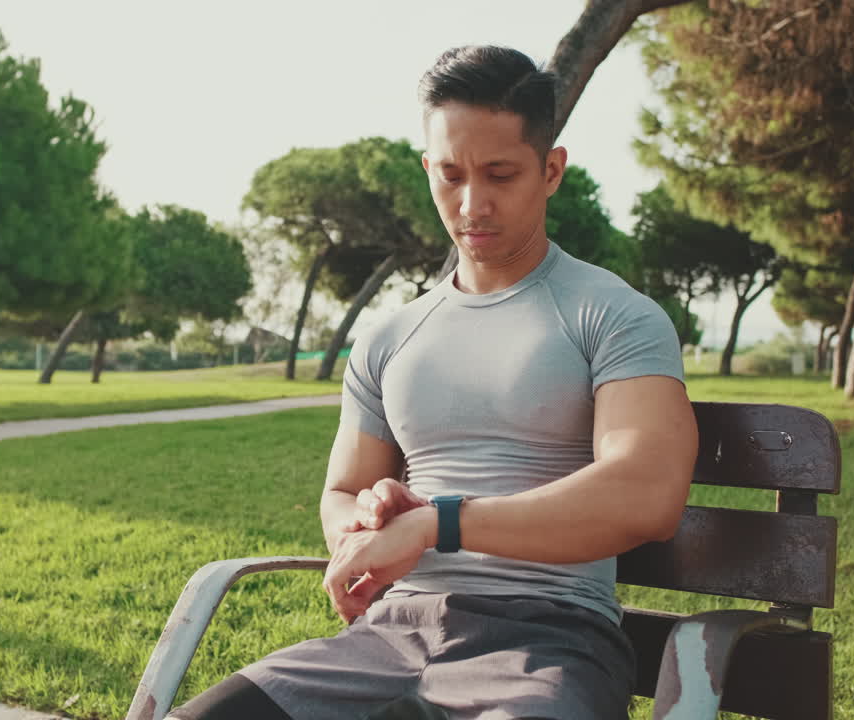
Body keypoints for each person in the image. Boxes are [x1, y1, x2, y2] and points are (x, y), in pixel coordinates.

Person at [167, 44, 698, 720]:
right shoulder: (390, 337)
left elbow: (646, 494)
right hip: (384, 639)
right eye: (450, 175)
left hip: (549, 641)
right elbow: (341, 493)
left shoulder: (614, 316)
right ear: (427, 169)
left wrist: (435, 524)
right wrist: (370, 521)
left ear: (551, 170)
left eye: (500, 174)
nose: (472, 204)